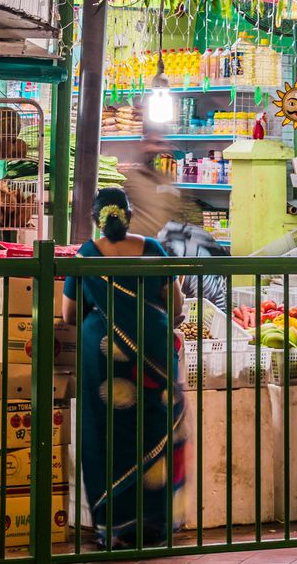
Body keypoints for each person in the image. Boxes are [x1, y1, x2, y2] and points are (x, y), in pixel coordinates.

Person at [64, 187, 188, 550]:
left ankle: (115, 527)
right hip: (154, 357)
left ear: (96, 221)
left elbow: (68, 314)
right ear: (129, 215)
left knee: (106, 435)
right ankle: (155, 523)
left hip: (103, 358)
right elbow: (177, 306)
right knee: (155, 429)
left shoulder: (86, 254)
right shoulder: (154, 250)